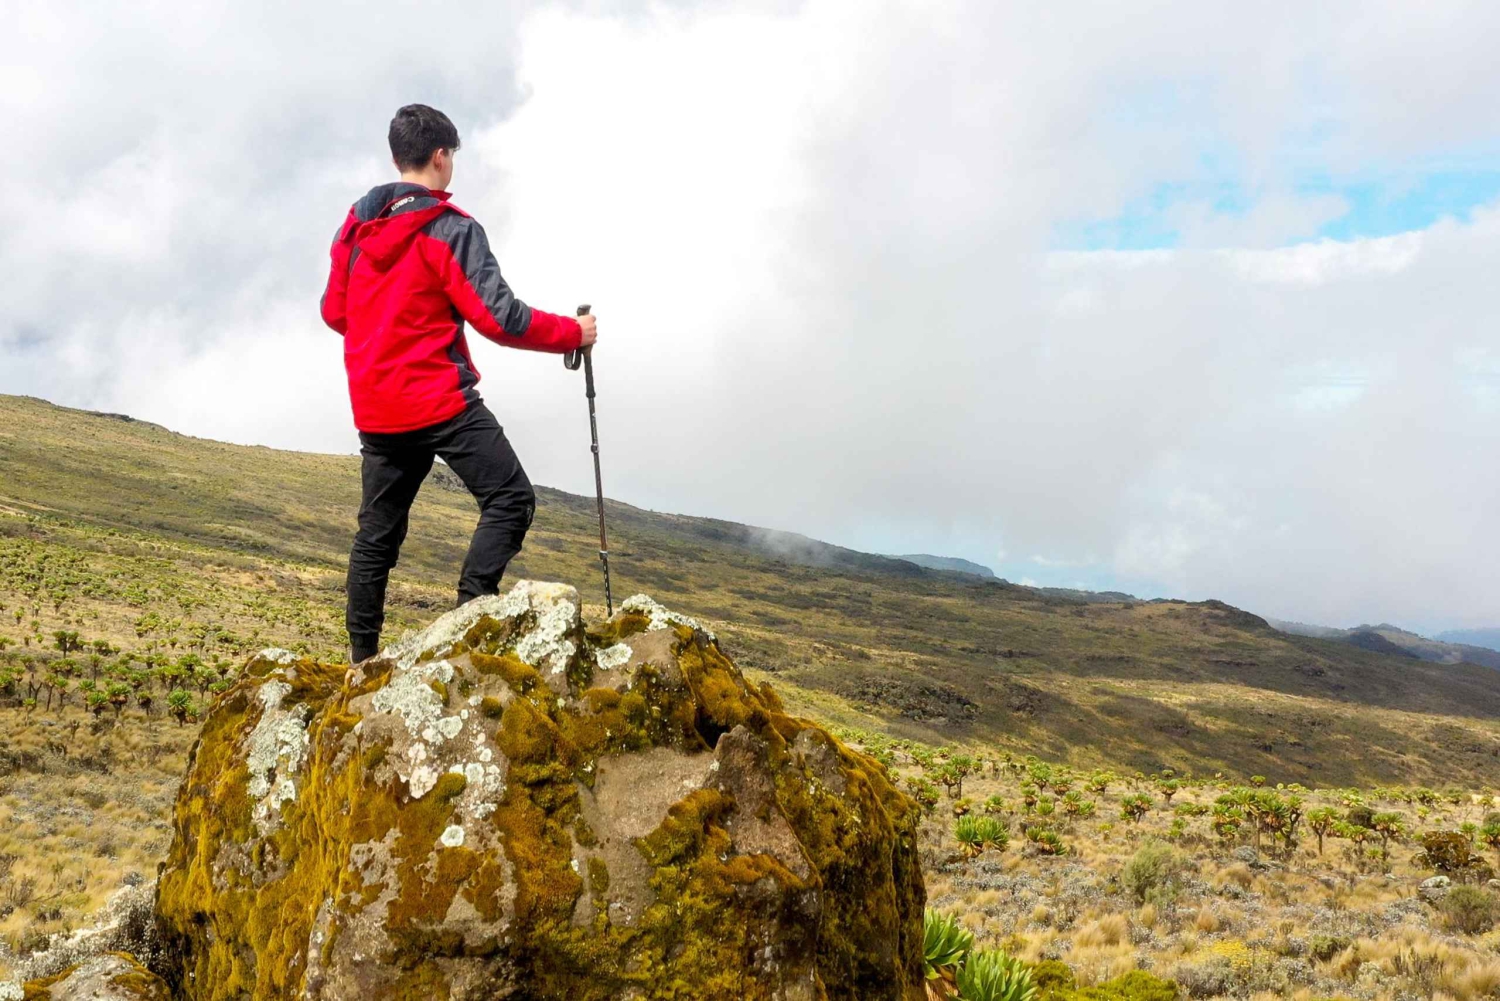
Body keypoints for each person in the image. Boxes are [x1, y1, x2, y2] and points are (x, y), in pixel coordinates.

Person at [320, 103, 597, 664]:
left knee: (376, 536)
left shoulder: (354, 229)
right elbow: (502, 320)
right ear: (441, 156)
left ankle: (361, 661)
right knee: (510, 499)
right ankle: (470, 616)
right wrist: (575, 333)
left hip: (376, 408)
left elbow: (334, 312)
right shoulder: (451, 230)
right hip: (440, 402)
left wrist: (385, 335)